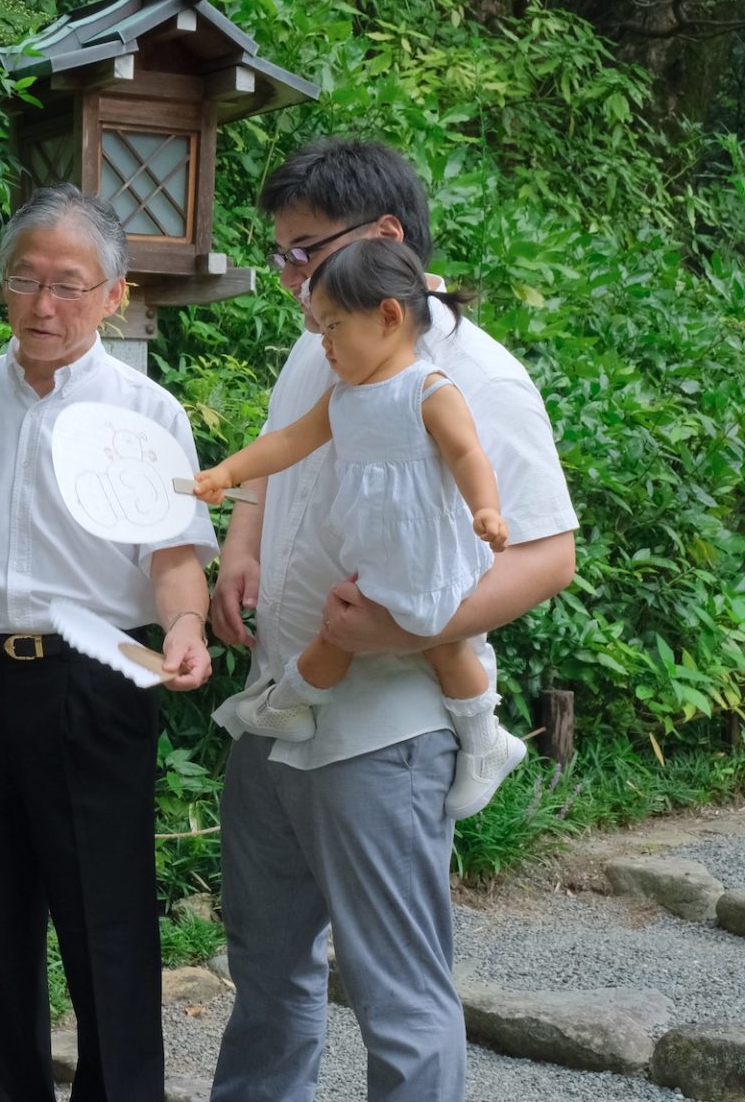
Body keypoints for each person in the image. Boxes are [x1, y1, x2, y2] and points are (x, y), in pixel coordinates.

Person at [208, 138, 577, 1102]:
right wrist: (242, 538)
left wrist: (408, 631)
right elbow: (283, 452)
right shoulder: (322, 338)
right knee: (267, 975)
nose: (290, 280)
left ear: (382, 237)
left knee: (398, 1000)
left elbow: (548, 554)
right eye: (281, 255)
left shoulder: (478, 378)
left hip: (384, 732)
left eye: (302, 252)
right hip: (277, 707)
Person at [0, 183, 216, 1102]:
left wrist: (189, 627)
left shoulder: (146, 411)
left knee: (106, 921)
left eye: (70, 285)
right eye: (26, 280)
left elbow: (173, 556)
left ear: (114, 295)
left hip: (97, 679)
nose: (45, 305)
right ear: (0, 286)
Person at [194, 239, 525, 817]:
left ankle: (484, 739)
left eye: (333, 329)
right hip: (376, 549)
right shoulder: (345, 396)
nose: (324, 345)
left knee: (442, 645)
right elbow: (287, 442)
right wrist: (227, 471)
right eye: (321, 331)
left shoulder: (430, 388)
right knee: (341, 627)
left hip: (424, 553)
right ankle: (294, 705)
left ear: (388, 317)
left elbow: (469, 454)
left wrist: (487, 509)